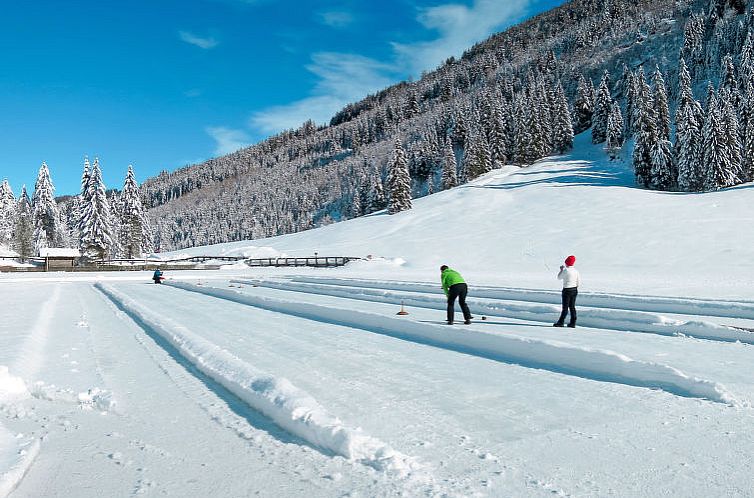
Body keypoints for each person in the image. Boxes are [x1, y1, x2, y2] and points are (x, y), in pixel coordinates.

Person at [554, 255, 580, 328]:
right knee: (572, 307)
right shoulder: (576, 271)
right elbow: (579, 282)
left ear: (566, 263)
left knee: (565, 307)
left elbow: (559, 278)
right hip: (574, 290)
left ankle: (561, 322)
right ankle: (573, 322)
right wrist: (575, 288)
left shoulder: (566, 270)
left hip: (567, 290)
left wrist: (561, 270)